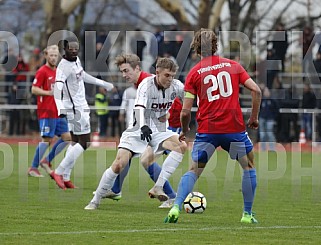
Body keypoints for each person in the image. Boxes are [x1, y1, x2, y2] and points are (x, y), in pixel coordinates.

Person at [165, 28, 262, 224]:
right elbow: (256, 90)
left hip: (207, 132)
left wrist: (184, 131)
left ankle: (175, 206)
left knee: (193, 170)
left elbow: (185, 111)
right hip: (234, 130)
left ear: (196, 48)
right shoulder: (233, 66)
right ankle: (247, 214)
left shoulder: (193, 73)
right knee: (248, 167)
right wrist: (253, 118)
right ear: (216, 45)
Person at [85, 57, 187, 210]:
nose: (170, 79)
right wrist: (144, 125)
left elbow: (192, 100)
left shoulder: (176, 86)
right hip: (138, 129)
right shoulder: (146, 84)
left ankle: (159, 188)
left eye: (172, 75)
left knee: (181, 146)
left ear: (137, 68)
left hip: (160, 129)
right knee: (120, 163)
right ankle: (96, 199)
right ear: (157, 72)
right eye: (167, 75)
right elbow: (139, 108)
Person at [49, 36, 114, 189]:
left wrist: (103, 83)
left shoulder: (76, 60)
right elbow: (57, 89)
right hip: (74, 108)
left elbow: (82, 75)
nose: (74, 52)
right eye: (70, 50)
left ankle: (65, 177)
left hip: (80, 105)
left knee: (75, 141)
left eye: (76, 49)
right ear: (64, 50)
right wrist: (61, 109)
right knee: (85, 142)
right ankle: (58, 172)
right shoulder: (63, 67)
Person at [27, 45, 72, 179]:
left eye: (55, 55)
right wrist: (48, 93)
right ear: (46, 55)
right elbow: (34, 89)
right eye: (51, 55)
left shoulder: (58, 71)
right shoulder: (42, 71)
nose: (53, 58)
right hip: (46, 111)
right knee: (46, 140)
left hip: (57, 111)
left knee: (67, 137)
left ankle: (46, 160)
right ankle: (33, 168)